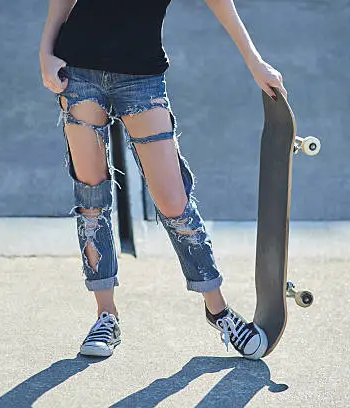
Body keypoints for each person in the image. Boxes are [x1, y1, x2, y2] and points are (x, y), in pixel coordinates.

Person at [39, 0, 287, 360]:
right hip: (78, 71)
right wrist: (45, 51)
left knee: (173, 200)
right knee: (91, 197)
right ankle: (105, 316)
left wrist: (254, 60)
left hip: (142, 78)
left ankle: (217, 309)